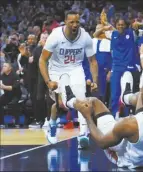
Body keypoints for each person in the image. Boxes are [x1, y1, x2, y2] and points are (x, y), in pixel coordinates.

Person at [62, 72, 143, 168]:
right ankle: (126, 97)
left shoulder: (130, 124)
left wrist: (88, 117)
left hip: (127, 160)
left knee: (93, 102)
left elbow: (102, 142)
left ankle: (70, 100)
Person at [38, 10, 98, 148]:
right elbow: (42, 60)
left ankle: (83, 135)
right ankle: (52, 124)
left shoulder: (85, 37)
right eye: (72, 22)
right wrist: (48, 81)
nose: (75, 24)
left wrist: (95, 81)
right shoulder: (55, 36)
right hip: (56, 70)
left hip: (75, 68)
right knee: (60, 104)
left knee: (82, 99)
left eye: (77, 22)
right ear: (65, 22)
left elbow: (93, 61)